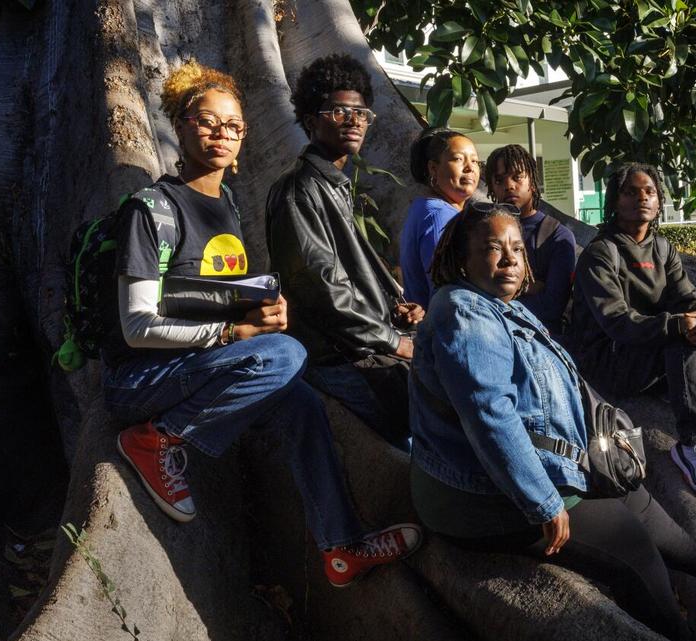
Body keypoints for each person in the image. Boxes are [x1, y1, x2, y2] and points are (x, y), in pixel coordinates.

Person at [104, 61, 421, 587]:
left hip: (200, 368)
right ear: (180, 125)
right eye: (207, 122)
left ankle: (340, 549)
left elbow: (207, 296)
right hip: (142, 380)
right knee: (287, 355)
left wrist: (257, 311)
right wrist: (234, 333)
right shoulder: (152, 208)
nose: (222, 135)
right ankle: (158, 441)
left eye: (233, 126)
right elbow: (138, 325)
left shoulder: (225, 204)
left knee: (300, 402)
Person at [409, 202, 696, 641]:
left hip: (542, 463)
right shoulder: (464, 312)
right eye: (492, 248)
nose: (509, 259)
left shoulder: (504, 306)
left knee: (631, 494)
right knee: (634, 551)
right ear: (462, 259)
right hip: (482, 494)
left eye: (517, 249)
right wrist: (543, 502)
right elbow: (491, 417)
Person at [569, 163, 696, 509]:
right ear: (615, 200)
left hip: (656, 355)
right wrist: (679, 325)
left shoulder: (662, 248)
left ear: (659, 202)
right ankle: (694, 446)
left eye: (650, 192)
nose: (642, 197)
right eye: (631, 191)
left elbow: (688, 298)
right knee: (680, 340)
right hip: (609, 364)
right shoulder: (601, 253)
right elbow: (618, 322)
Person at [267, 54, 421, 452]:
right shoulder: (300, 190)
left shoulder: (335, 184)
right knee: (415, 439)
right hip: (340, 358)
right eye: (339, 111)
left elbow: (351, 274)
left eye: (361, 113)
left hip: (364, 347)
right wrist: (392, 340)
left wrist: (396, 305)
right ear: (311, 119)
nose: (354, 120)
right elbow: (321, 289)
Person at [484, 144, 576, 335]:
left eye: (517, 177)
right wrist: (527, 285)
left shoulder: (556, 236)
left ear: (532, 182)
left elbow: (552, 306)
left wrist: (501, 290)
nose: (509, 185)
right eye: (499, 180)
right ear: (491, 187)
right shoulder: (482, 232)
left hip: (542, 344)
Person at [398, 127, 480, 307]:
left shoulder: (425, 208)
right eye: (458, 159)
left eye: (475, 161)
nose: (470, 168)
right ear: (433, 168)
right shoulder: (440, 216)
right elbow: (448, 291)